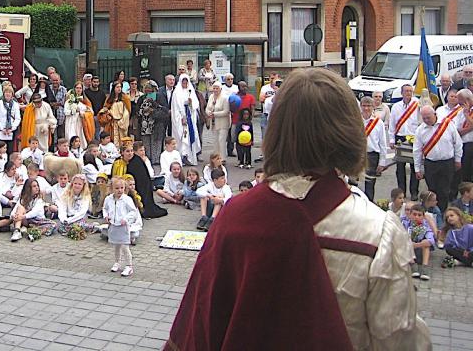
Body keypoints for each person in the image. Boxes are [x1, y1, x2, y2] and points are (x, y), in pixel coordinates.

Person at [165, 68, 431, 351]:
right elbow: (400, 340)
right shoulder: (379, 233)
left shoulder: (234, 216)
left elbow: (200, 327)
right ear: (349, 133)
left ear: (277, 130)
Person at [413, 105, 462, 212]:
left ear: (435, 114)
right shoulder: (420, 130)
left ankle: (442, 213)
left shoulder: (448, 124)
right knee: (432, 191)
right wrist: (417, 169)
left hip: (447, 163)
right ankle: (432, 213)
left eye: (428, 117)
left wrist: (458, 159)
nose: (426, 120)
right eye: (424, 118)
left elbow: (457, 143)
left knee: (444, 191)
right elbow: (417, 151)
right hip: (431, 164)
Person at [103, 176, 140, 277]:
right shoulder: (108, 199)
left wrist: (126, 219)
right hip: (113, 225)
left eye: (121, 188)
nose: (119, 190)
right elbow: (105, 209)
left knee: (125, 246)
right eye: (117, 188)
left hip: (123, 226)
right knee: (116, 245)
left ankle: (129, 265)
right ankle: (117, 262)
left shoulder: (127, 199)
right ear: (112, 188)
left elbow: (133, 211)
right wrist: (106, 216)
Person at [389, 84, 420, 200]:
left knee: (414, 166)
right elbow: (392, 124)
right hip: (400, 137)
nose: (408, 93)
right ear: (401, 93)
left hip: (414, 138)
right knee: (400, 167)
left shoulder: (418, 104)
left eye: (410, 91)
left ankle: (414, 192)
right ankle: (401, 192)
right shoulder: (396, 107)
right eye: (406, 91)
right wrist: (392, 139)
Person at [360, 96, 388, 202]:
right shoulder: (356, 120)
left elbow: (382, 143)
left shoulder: (378, 122)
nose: (366, 108)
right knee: (353, 181)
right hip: (358, 154)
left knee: (370, 182)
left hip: (372, 155)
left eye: (369, 106)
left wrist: (382, 161)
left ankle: (369, 203)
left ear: (373, 107)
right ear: (360, 106)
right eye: (364, 106)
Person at [170, 75, 200, 166]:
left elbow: (196, 104)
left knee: (190, 136)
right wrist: (182, 116)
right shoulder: (176, 92)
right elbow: (176, 106)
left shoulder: (190, 91)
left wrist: (191, 103)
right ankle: (181, 156)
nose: (185, 84)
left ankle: (189, 157)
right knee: (181, 136)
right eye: (183, 82)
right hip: (180, 118)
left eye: (186, 82)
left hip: (190, 116)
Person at [136, 81, 167, 166]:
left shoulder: (159, 97)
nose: (148, 90)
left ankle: (156, 160)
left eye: (150, 88)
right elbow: (137, 110)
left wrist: (153, 111)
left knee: (156, 143)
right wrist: (142, 111)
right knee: (146, 143)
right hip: (145, 125)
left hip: (156, 125)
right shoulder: (142, 98)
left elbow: (164, 110)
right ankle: (148, 160)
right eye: (146, 88)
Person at [402, 204, 434, 281]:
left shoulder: (425, 226)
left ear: (423, 217)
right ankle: (413, 266)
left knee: (426, 243)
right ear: (409, 215)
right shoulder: (404, 223)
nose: (416, 217)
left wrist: (417, 245)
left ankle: (424, 268)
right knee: (405, 242)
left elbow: (431, 240)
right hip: (407, 253)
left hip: (419, 251)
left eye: (419, 215)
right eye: (414, 214)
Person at [64, 81, 96, 146]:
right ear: (74, 89)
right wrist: (74, 111)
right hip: (71, 123)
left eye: (80, 88)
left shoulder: (85, 101)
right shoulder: (69, 101)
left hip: (81, 123)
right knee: (71, 138)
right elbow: (66, 112)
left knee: (81, 139)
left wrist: (83, 113)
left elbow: (91, 112)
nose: (78, 90)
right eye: (77, 88)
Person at [229, 81, 255, 159]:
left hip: (246, 123)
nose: (244, 88)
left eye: (245, 86)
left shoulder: (250, 97)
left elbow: (252, 109)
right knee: (236, 139)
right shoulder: (234, 97)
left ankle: (247, 158)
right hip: (236, 121)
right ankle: (240, 158)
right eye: (242, 86)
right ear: (238, 87)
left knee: (246, 140)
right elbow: (230, 108)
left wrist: (250, 118)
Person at [0, 86, 21, 155]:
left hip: (11, 131)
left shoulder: (15, 104)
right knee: (0, 149)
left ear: (12, 94)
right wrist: (2, 128)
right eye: (6, 92)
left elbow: (17, 118)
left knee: (9, 150)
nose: (8, 94)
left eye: (9, 92)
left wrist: (12, 128)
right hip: (1, 130)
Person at [205, 82, 230, 158]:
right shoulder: (211, 97)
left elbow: (226, 111)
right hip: (213, 123)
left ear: (220, 89)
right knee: (215, 141)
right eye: (214, 88)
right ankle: (216, 157)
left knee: (221, 141)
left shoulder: (225, 98)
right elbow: (207, 107)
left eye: (217, 88)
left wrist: (214, 114)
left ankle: (222, 158)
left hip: (223, 122)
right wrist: (208, 112)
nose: (215, 90)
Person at [259, 72, 280, 141]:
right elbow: (261, 99)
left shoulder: (281, 88)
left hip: (276, 114)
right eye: (271, 78)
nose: (272, 80)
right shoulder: (265, 88)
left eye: (274, 78)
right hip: (266, 113)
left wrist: (277, 91)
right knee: (265, 134)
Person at [47, 72, 67, 144]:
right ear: (51, 80)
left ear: (60, 80)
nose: (55, 82)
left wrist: (54, 103)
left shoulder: (64, 90)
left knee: (60, 135)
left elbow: (64, 102)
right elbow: (47, 101)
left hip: (60, 115)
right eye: (53, 80)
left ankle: (60, 149)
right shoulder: (48, 88)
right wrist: (56, 103)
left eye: (56, 80)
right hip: (50, 115)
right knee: (51, 135)